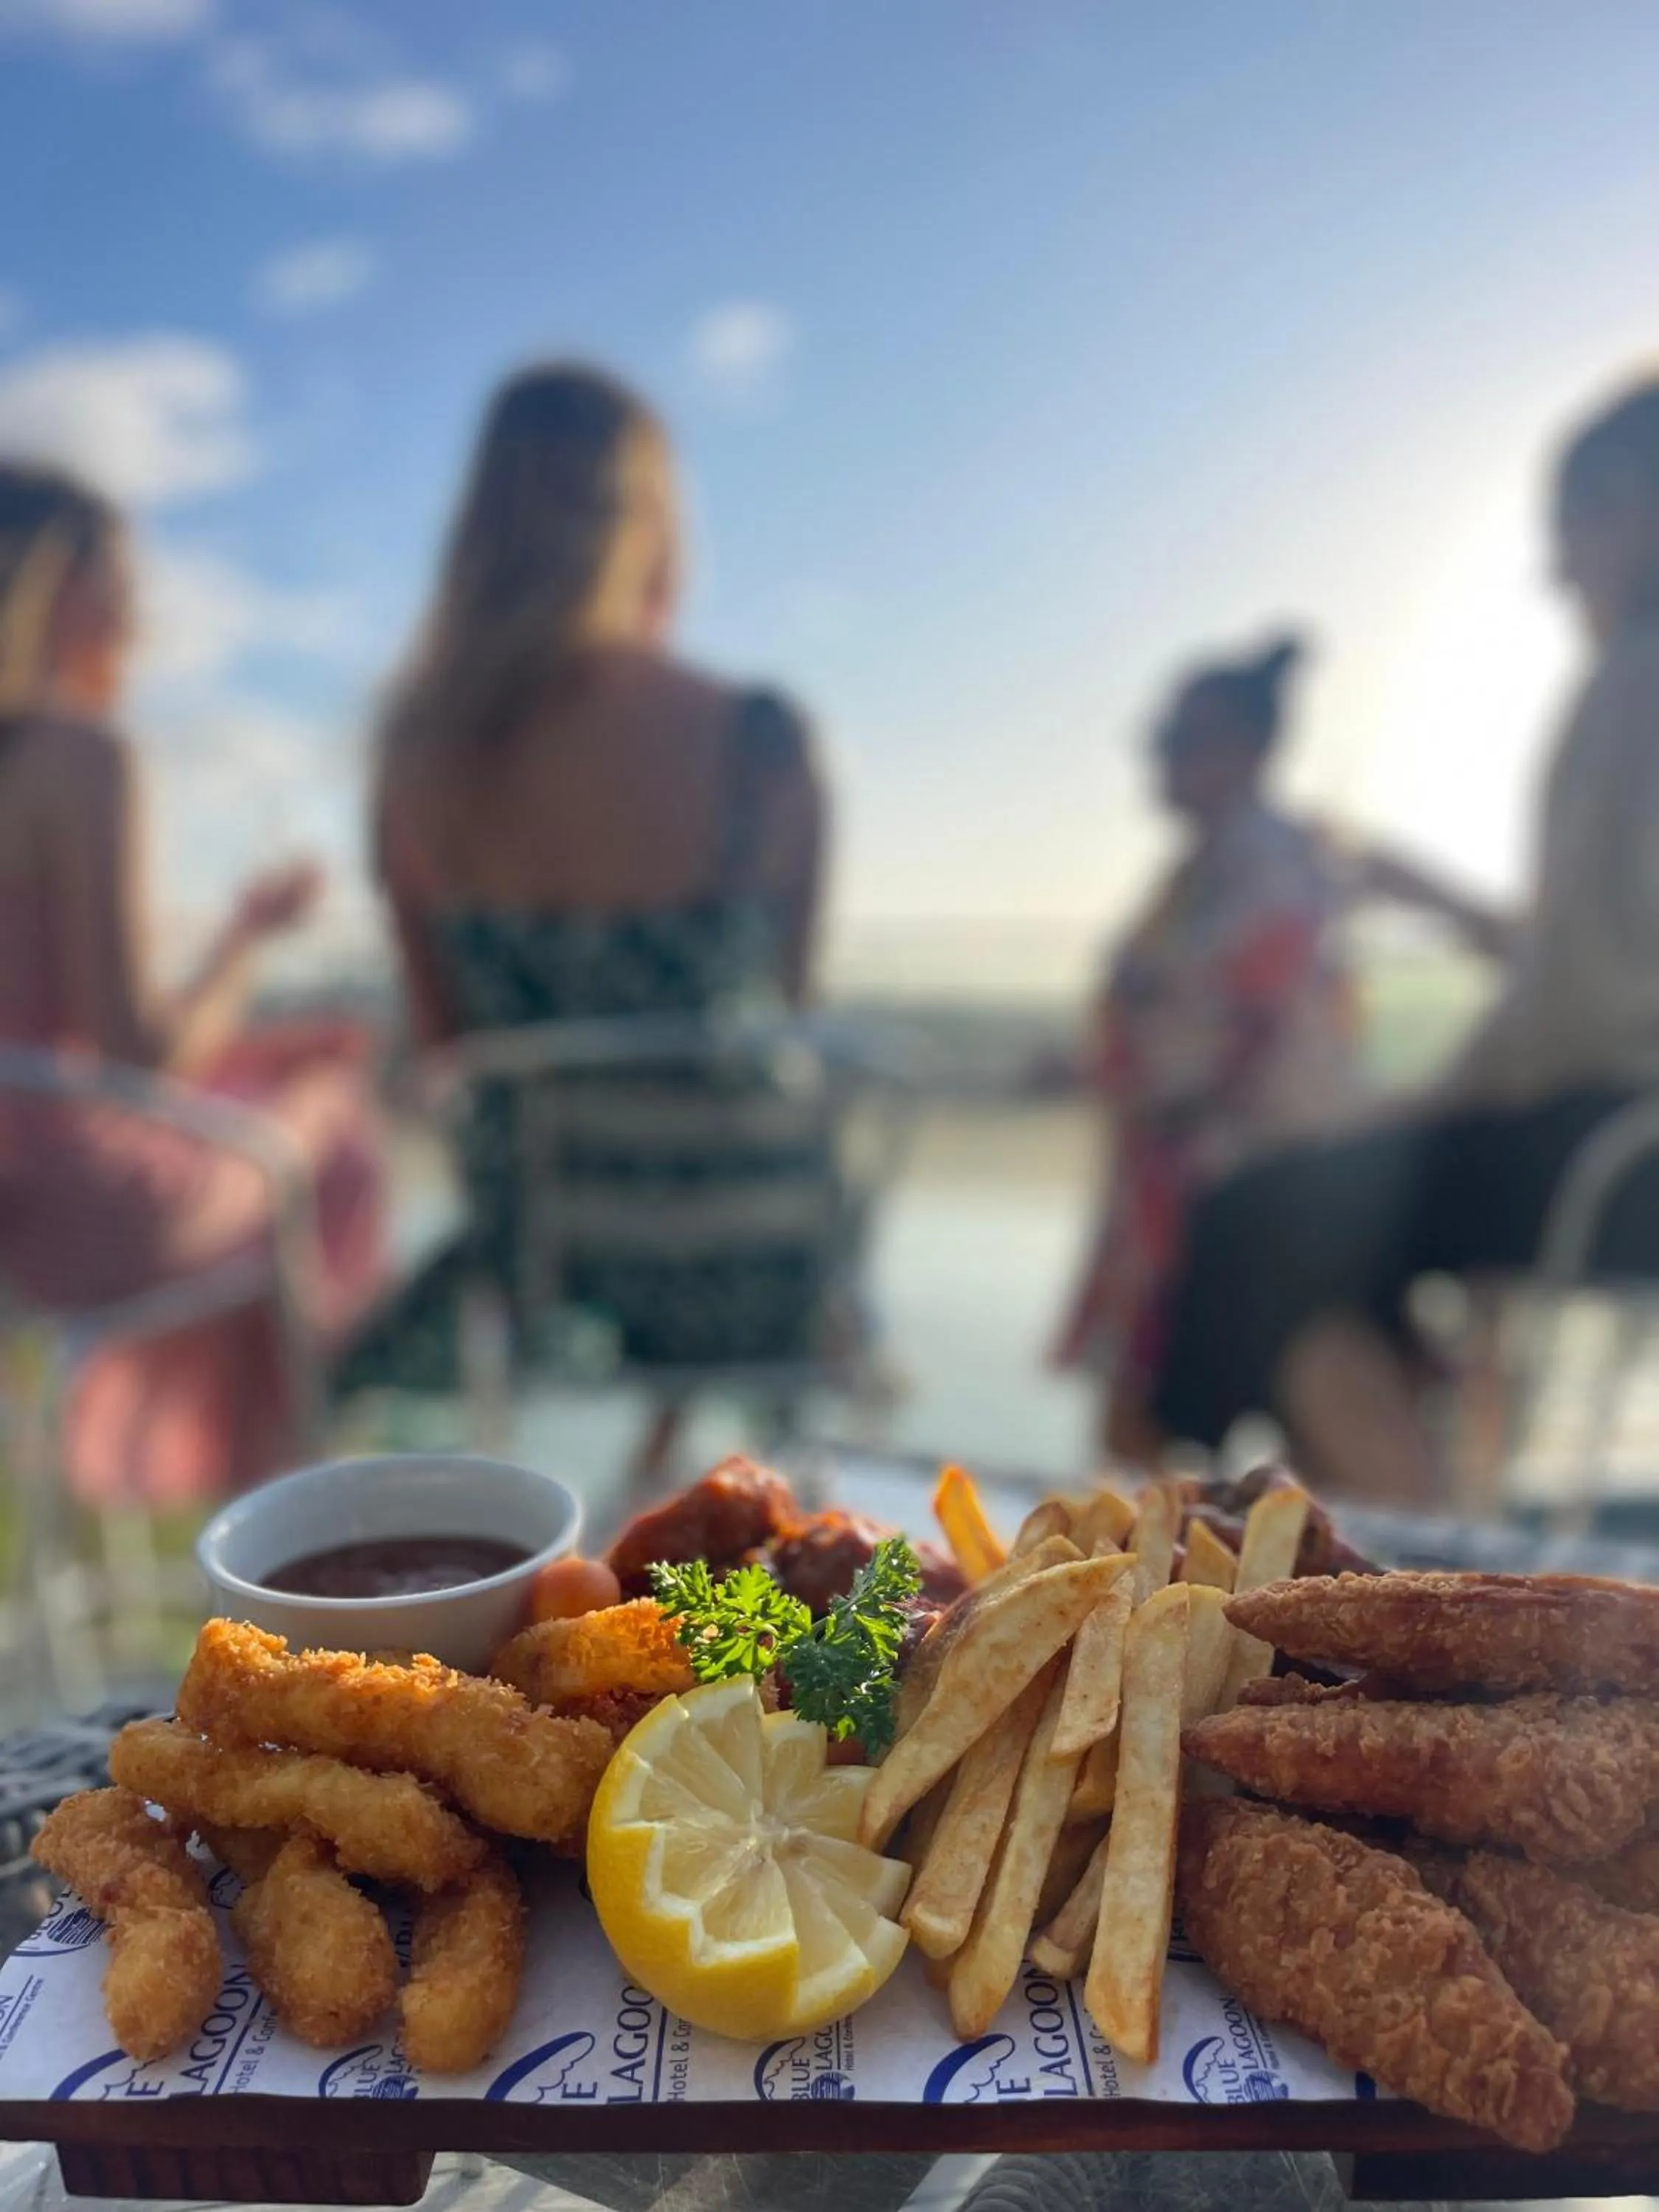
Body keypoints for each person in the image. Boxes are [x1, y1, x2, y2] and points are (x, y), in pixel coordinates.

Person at [1151, 374, 1659, 1503]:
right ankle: (1410, 1547)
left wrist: (1415, 1106)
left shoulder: (1632, 678)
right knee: (1332, 1226)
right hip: (1621, 1132)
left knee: (1255, 1219)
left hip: (1620, 1146)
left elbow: (1580, 1002)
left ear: (1628, 507)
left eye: (1568, 528)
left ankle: (1422, 1576)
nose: (1555, 568)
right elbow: (1598, 949)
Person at [361, 364, 827, 1481]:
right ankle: (704, 1506)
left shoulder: (415, 759)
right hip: (749, 1252)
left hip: (549, 1261)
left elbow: (450, 1059)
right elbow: (786, 1020)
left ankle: (633, 1499)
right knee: (767, 1176)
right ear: (648, 522)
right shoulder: (757, 742)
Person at [0, 459, 385, 1504]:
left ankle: (223, 1482)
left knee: (276, 1095)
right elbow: (137, 1050)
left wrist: (259, 1040)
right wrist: (248, 938)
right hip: (73, 1215)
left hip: (21, 1206)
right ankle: (291, 1491)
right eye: (123, 575)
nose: (141, 608)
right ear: (61, 583)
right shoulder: (79, 762)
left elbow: (48, 1049)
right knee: (325, 1118)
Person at [1053, 637, 1501, 1465]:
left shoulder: (1266, 862)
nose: (1163, 759)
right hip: (1217, 1196)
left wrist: (1511, 951)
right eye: (1160, 739)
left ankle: (1419, 1593)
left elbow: (1217, 1032)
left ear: (1249, 749)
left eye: (1185, 741)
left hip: (1261, 1200)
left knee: (1337, 1427)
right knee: (1211, 1437)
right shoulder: (1218, 868)